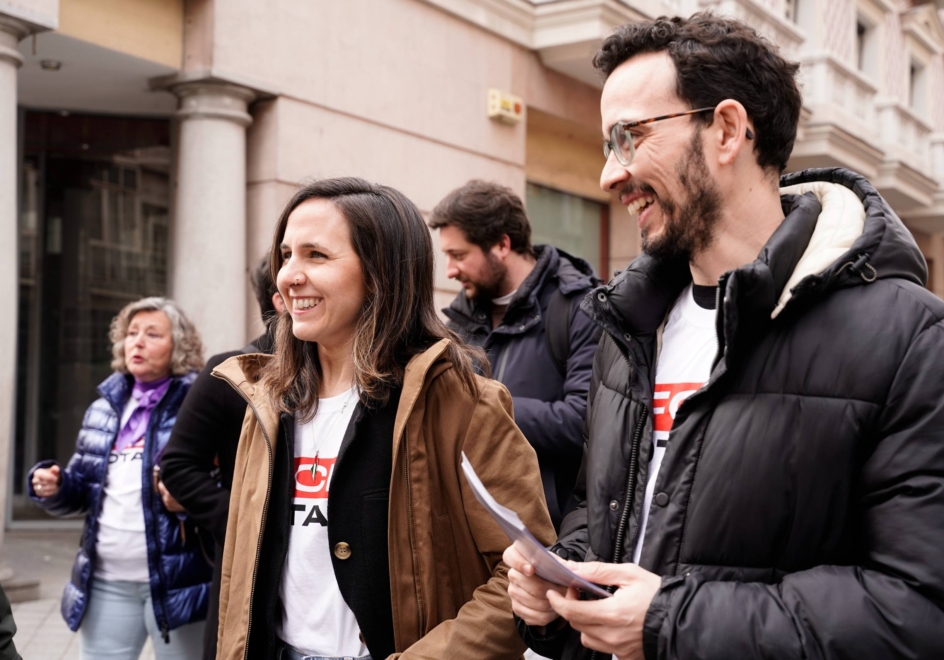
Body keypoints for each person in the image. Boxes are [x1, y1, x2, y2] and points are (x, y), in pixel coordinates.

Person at [508, 13, 944, 660]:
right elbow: (603, 520)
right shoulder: (628, 331)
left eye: (629, 137)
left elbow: (941, 619)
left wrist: (671, 623)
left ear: (727, 131)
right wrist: (557, 587)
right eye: (606, 146)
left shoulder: (918, 343)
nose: (609, 176)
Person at [213, 177, 555, 660]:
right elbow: (238, 576)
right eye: (286, 255)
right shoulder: (266, 403)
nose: (288, 276)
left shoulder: (461, 404)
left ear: (380, 273)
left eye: (316, 255)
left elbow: (524, 571)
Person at [28, 297, 212, 660]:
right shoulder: (104, 408)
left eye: (152, 334)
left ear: (179, 344)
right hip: (107, 581)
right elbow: (84, 490)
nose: (137, 342)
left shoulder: (200, 401)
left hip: (179, 581)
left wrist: (189, 501)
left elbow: (226, 487)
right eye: (131, 333)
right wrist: (57, 486)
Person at [429, 181, 601, 530]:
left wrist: (484, 406)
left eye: (459, 255)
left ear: (502, 244)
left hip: (552, 534)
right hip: (473, 528)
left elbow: (585, 423)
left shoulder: (581, 308)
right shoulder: (458, 323)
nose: (449, 270)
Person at [160, 257, 286, 660]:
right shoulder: (230, 372)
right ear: (281, 299)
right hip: (245, 576)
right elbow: (178, 466)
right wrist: (239, 521)